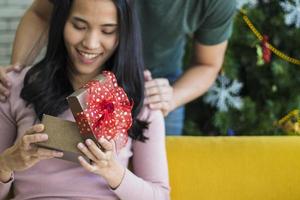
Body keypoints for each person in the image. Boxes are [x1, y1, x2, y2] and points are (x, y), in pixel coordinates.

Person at [0, 0, 170, 199]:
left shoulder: (142, 95)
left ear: (124, 34)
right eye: (79, 26)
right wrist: (6, 164)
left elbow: (160, 196)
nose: (90, 43)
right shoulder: (15, 86)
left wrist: (113, 171)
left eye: (107, 31)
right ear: (61, 22)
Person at [0, 0, 236, 135]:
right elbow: (41, 14)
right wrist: (17, 71)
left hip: (156, 84)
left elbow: (208, 64)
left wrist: (171, 98)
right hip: (76, 74)